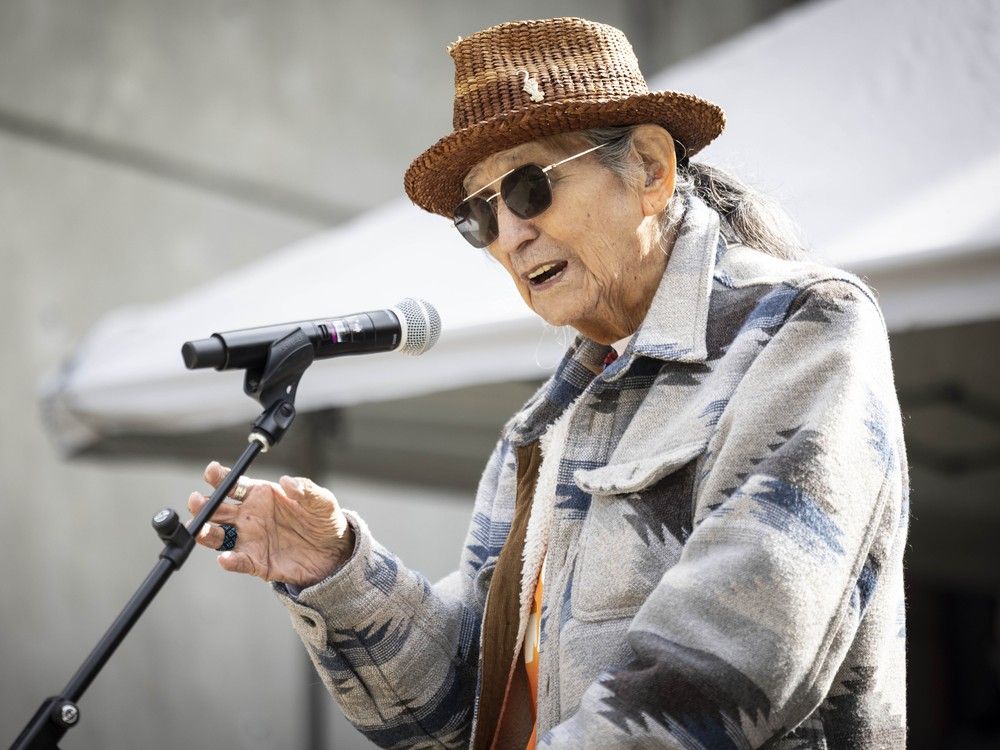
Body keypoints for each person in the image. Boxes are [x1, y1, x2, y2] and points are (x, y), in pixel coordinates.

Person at [187, 17, 908, 750]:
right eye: (478, 215)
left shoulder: (805, 326)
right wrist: (337, 573)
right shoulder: (541, 425)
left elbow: (732, 651)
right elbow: (462, 706)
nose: (508, 235)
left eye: (529, 187)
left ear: (652, 170)